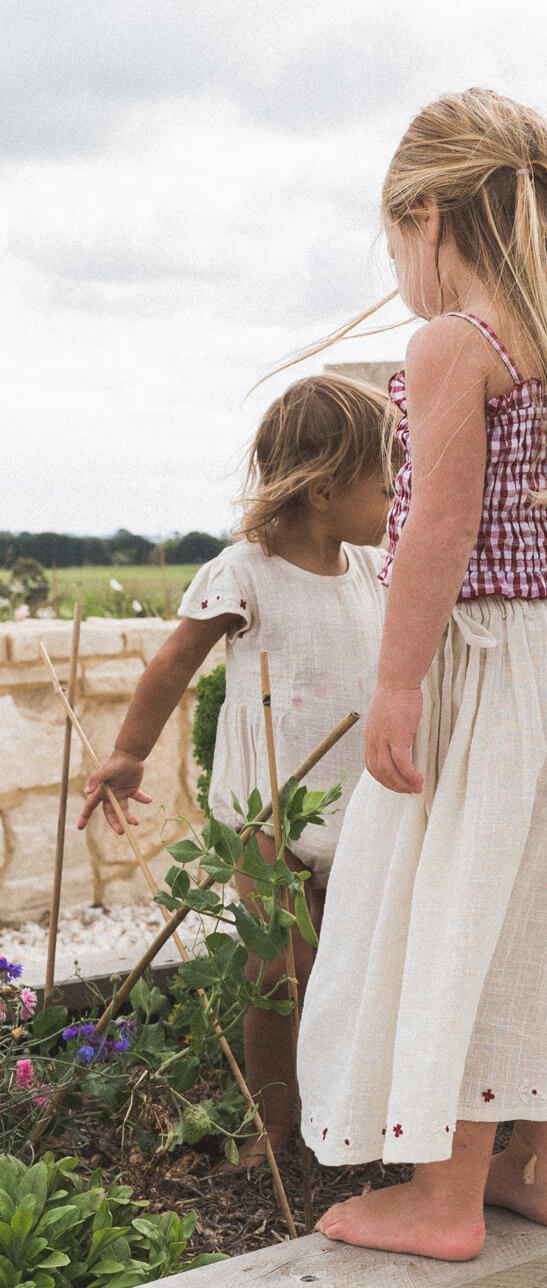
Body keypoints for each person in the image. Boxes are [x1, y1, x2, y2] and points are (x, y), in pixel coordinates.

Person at [295, 87, 547, 1263]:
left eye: (396, 234)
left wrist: (395, 685)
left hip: (492, 659)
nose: (401, 264)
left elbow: (438, 531)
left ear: (433, 214)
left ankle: (441, 1196)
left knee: (461, 907)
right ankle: (542, 1169)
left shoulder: (457, 344)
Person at [78, 373, 393, 1163]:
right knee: (281, 962)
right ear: (323, 489)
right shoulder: (243, 572)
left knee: (345, 966)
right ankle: (275, 1124)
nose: (397, 492)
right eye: (383, 477)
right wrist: (129, 753)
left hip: (356, 803)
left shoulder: (372, 571)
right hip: (268, 810)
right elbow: (175, 659)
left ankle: (338, 1113)